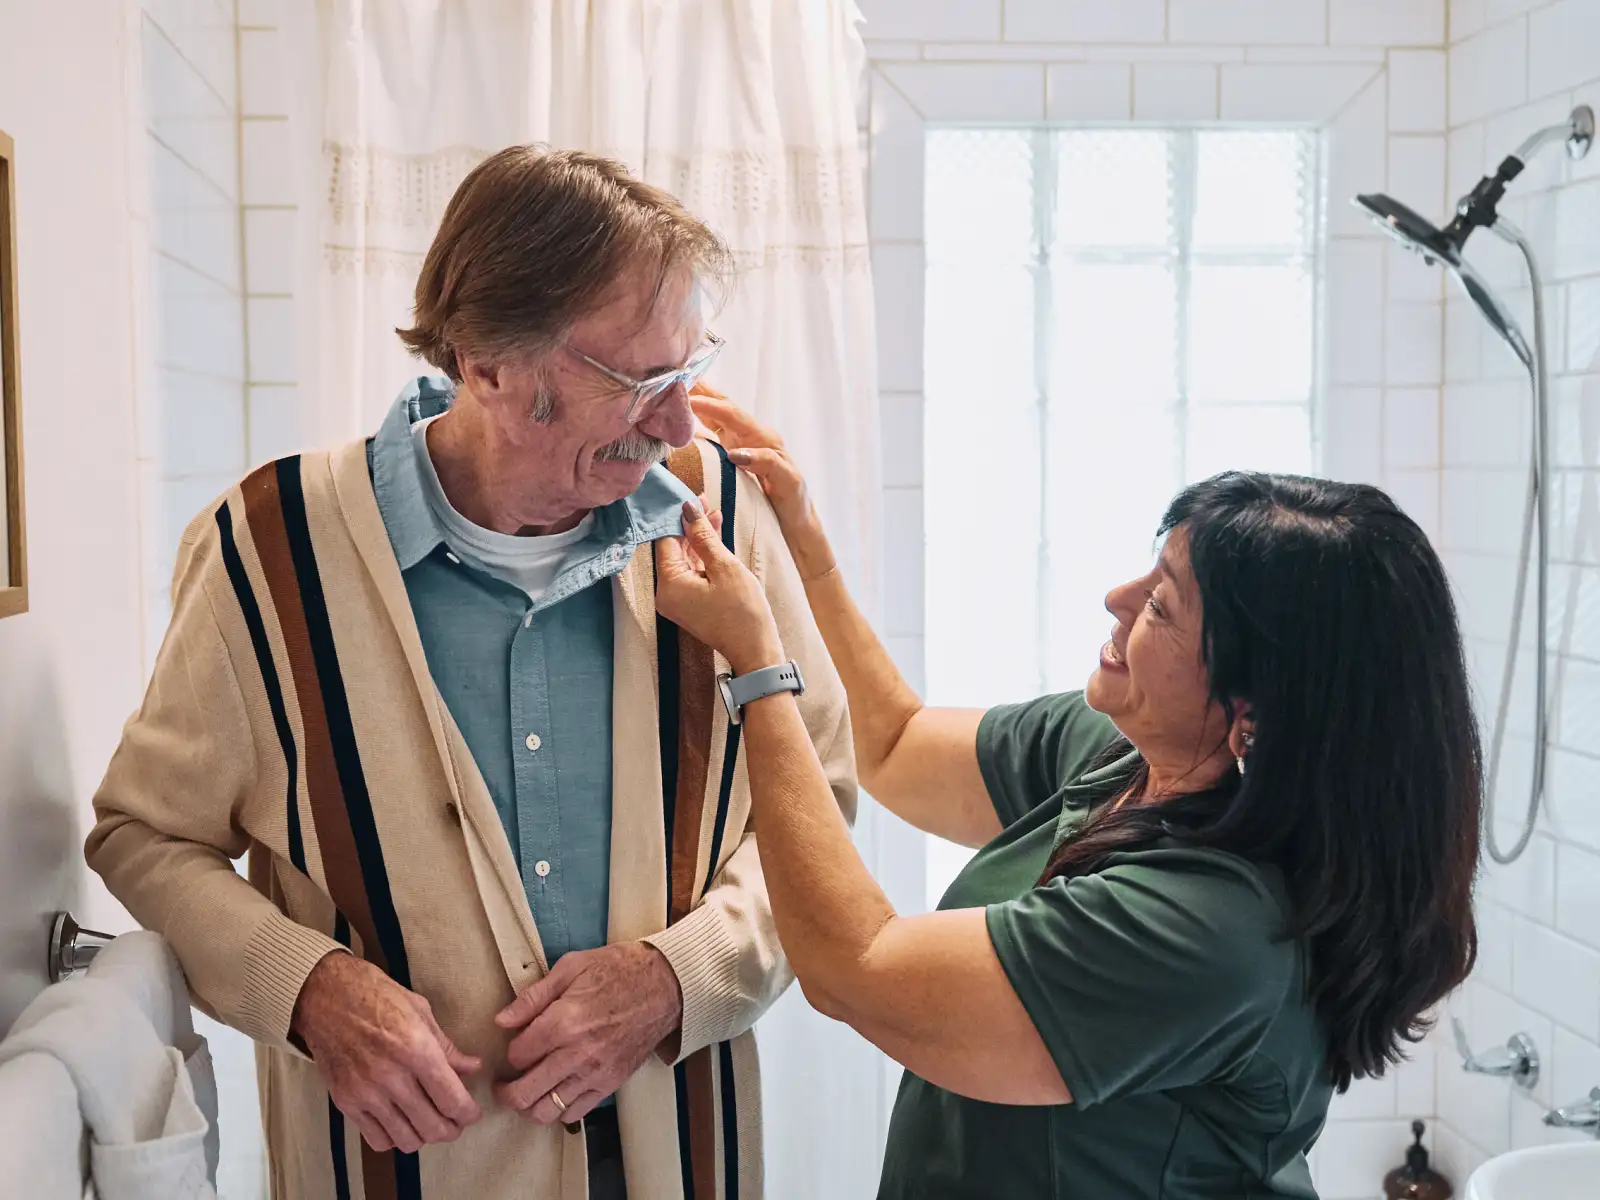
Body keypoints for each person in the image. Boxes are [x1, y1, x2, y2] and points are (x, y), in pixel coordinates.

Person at [85, 147, 855, 1200]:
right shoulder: (267, 551)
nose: (680, 425)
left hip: (683, 1161)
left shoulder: (719, 517)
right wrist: (306, 988)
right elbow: (144, 835)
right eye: (641, 385)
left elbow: (818, 805)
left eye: (689, 372)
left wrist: (681, 978)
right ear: (486, 366)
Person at [655, 396, 1482, 1199]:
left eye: (1161, 603)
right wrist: (804, 543)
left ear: (1251, 715)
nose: (1119, 600)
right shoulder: (1128, 757)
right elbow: (895, 744)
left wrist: (757, 667)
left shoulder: (1210, 929)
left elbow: (855, 970)